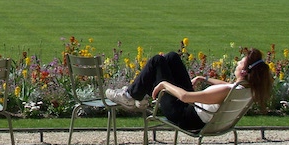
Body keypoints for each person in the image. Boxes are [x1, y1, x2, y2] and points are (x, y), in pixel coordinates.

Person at [106, 49, 272, 131]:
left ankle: (130, 95)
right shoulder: (245, 88)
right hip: (193, 113)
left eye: (239, 63)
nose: (236, 64)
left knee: (157, 61)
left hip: (184, 116)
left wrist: (164, 84)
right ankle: (136, 94)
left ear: (243, 72)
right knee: (171, 57)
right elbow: (226, 85)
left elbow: (185, 97)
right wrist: (203, 78)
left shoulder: (226, 91)